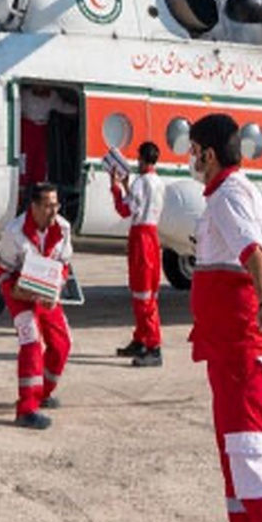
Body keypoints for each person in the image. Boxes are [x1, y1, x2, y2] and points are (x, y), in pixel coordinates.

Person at [187, 114, 262, 522]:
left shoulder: (228, 196)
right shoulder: (232, 192)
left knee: (251, 455)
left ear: (210, 154)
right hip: (224, 351)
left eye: (194, 149)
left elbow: (255, 255)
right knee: (234, 458)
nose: (191, 158)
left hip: (240, 351)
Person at [0, 182, 74, 429]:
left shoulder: (63, 228)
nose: (54, 211)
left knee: (62, 344)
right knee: (30, 342)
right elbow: (3, 270)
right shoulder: (14, 232)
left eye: (56, 205)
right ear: (35, 207)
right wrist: (17, 292)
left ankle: (43, 392)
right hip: (20, 294)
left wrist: (57, 286)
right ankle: (26, 408)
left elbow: (64, 265)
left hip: (47, 292)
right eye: (49, 206)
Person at [109, 141, 166, 367]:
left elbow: (125, 210)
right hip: (152, 237)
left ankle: (153, 345)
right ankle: (141, 339)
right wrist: (125, 185)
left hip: (141, 239)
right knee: (146, 292)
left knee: (142, 295)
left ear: (142, 158)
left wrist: (115, 187)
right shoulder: (158, 182)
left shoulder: (142, 182)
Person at [18, 84, 77, 201]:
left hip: (42, 130)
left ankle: (36, 197)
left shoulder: (52, 97)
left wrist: (80, 109)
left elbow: (64, 107)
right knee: (24, 165)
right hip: (26, 129)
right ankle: (20, 198)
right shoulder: (25, 95)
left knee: (41, 164)